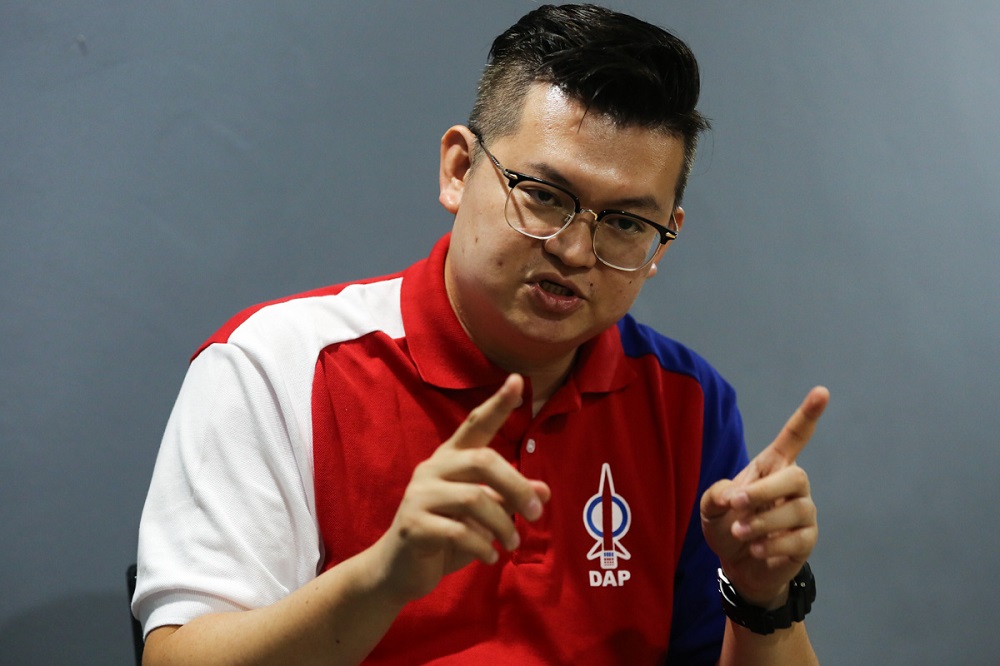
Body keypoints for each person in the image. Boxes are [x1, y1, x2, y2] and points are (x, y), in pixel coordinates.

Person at [133, 4, 829, 664]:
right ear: (459, 170)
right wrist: (383, 577)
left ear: (664, 242)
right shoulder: (277, 366)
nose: (576, 251)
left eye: (624, 223)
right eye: (546, 195)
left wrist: (765, 597)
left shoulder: (687, 402)